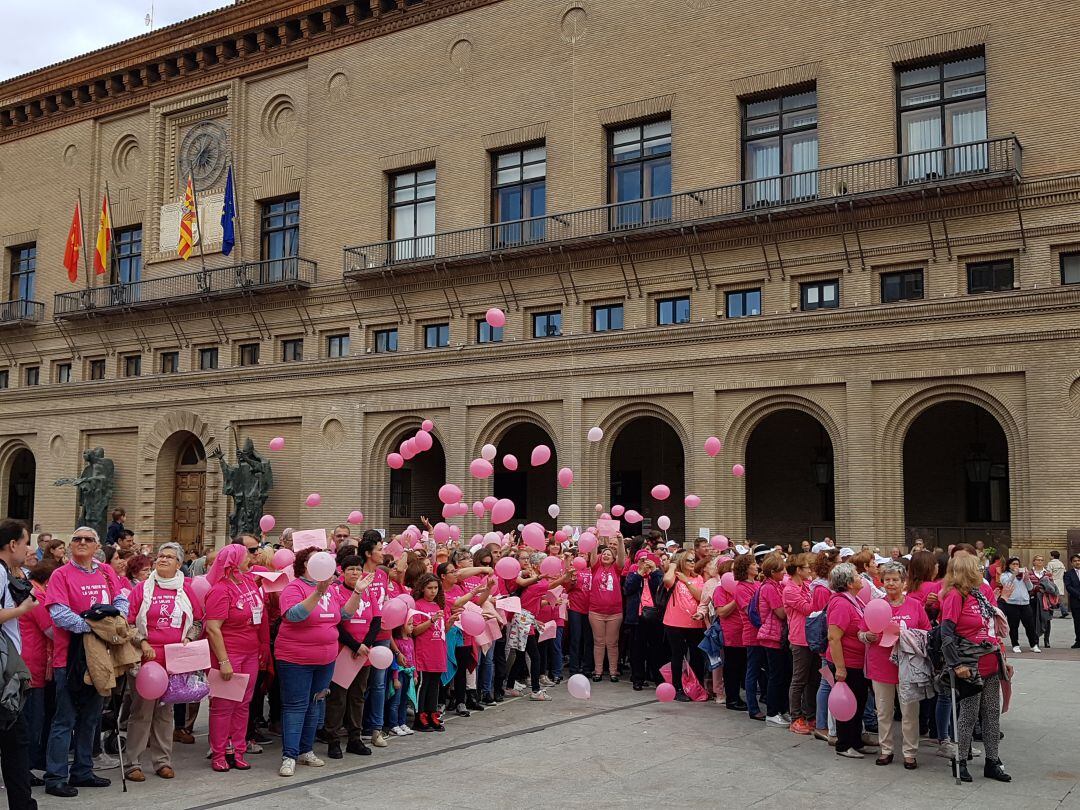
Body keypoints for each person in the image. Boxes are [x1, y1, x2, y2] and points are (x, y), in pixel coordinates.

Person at [44, 526, 128, 798]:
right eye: (76, 539)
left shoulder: (105, 571)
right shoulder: (61, 574)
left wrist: (116, 622)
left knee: (90, 718)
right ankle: (56, 776)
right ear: (70, 546)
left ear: (96, 546)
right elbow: (58, 614)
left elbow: (121, 599)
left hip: (101, 659)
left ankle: (83, 770)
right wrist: (95, 628)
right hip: (69, 659)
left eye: (87, 539)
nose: (81, 542)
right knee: (64, 720)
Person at [275, 547, 365, 777]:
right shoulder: (294, 588)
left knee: (315, 703)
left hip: (325, 659)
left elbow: (343, 616)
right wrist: (317, 593)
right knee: (296, 706)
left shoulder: (332, 590)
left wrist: (357, 593)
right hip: (296, 658)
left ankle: (306, 750)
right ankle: (289, 755)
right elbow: (294, 616)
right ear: (306, 564)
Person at [125, 542, 201, 782]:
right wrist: (142, 642)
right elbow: (127, 623)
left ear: (179, 564)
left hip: (174, 660)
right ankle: (133, 762)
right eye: (160, 556)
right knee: (141, 712)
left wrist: (189, 637)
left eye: (170, 557)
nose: (163, 560)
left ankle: (162, 761)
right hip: (146, 659)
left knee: (165, 712)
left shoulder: (186, 589)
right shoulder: (142, 589)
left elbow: (198, 620)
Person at [940, 554, 1011, 783]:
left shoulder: (979, 594)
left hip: (991, 659)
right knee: (969, 714)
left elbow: (990, 628)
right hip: (969, 664)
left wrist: (1003, 658)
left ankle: (993, 760)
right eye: (976, 567)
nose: (980, 571)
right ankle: (959, 760)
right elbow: (946, 633)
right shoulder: (954, 596)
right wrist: (956, 664)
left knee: (991, 714)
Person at [204, 543, 271, 772]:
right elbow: (213, 628)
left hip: (250, 652)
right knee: (223, 706)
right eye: (245, 555)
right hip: (229, 653)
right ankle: (219, 752)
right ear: (234, 560)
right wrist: (223, 661)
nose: (250, 558)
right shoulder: (220, 590)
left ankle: (238, 749)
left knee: (243, 704)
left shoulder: (249, 582)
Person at [861, 561, 929, 769]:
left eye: (895, 580)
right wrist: (867, 636)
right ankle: (886, 749)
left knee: (910, 712)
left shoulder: (915, 605)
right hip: (881, 665)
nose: (891, 584)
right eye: (887, 580)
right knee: (883, 711)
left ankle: (910, 752)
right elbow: (861, 632)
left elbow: (926, 632)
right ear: (882, 582)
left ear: (904, 582)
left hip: (908, 667)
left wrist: (908, 636)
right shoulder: (875, 605)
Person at [0, 520, 41, 809]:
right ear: (12, 544)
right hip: (4, 670)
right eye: (26, 542)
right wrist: (23, 609)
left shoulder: (8, 572)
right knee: (16, 738)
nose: (28, 548)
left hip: (6, 666)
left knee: (15, 738)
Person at [825, 562, 875, 758]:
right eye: (856, 575)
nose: (860, 577)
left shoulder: (853, 600)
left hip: (858, 662)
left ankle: (855, 740)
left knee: (859, 702)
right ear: (848, 582)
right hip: (846, 663)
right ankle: (844, 744)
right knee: (847, 705)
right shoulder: (841, 604)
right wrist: (840, 668)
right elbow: (834, 637)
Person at [21, 558, 58, 785]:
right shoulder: (38, 595)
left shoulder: (30, 590)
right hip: (32, 663)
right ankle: (24, 769)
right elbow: (51, 630)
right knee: (31, 720)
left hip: (31, 659)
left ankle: (29, 764)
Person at [406, 573, 452, 732]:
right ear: (422, 589)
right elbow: (416, 631)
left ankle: (432, 713)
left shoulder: (438, 606)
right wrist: (431, 620)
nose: (433, 591)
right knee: (424, 684)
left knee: (435, 684)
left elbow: (443, 629)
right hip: (424, 651)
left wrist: (450, 622)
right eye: (429, 588)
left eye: (435, 588)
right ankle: (420, 715)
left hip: (438, 650)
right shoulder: (417, 605)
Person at [662, 549, 706, 702]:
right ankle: (677, 687)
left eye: (694, 560)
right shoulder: (674, 576)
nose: (693, 563)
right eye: (689, 560)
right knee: (677, 655)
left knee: (697, 656)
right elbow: (666, 581)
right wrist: (673, 567)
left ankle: (697, 686)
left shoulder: (698, 578)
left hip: (695, 623)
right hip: (674, 623)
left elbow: (700, 596)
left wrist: (686, 581)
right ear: (681, 561)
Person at [783, 553, 816, 735]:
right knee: (799, 679)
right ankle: (795, 716)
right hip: (799, 638)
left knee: (813, 679)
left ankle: (810, 715)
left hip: (811, 638)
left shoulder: (806, 585)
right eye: (806, 568)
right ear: (797, 570)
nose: (809, 570)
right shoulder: (790, 589)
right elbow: (808, 608)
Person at [756, 553, 789, 725]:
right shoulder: (768, 588)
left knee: (782, 675)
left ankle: (783, 709)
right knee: (775, 676)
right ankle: (772, 711)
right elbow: (781, 612)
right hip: (772, 636)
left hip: (778, 636)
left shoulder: (776, 585)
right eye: (781, 569)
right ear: (772, 571)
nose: (784, 572)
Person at [588, 536, 625, 682]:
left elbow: (621, 558)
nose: (606, 555)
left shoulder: (616, 569)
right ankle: (598, 671)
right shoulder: (595, 567)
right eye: (603, 553)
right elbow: (592, 556)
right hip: (596, 611)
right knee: (598, 642)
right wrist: (594, 540)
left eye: (609, 554)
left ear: (613, 558)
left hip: (614, 613)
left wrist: (620, 541)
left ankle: (613, 672)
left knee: (612, 643)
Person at [623, 552, 662, 691]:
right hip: (637, 617)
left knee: (655, 649)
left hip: (654, 617)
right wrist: (639, 573)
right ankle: (638, 678)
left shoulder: (655, 575)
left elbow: (661, 588)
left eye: (647, 560)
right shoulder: (633, 575)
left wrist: (655, 570)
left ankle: (657, 678)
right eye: (642, 560)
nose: (645, 562)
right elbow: (628, 589)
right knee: (637, 650)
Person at [733, 553, 764, 721]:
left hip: (764, 632)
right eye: (753, 564)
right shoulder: (740, 588)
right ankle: (752, 707)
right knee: (752, 671)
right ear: (746, 568)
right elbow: (749, 611)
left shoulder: (758, 584)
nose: (756, 566)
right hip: (753, 633)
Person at [713, 558, 746, 711]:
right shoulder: (720, 590)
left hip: (745, 632)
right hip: (731, 634)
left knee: (741, 667)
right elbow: (721, 612)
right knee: (732, 667)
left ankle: (737, 696)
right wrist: (736, 600)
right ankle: (731, 699)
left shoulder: (741, 586)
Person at [998, 557, 1039, 653]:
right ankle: (1015, 644)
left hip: (1025, 603)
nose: (1016, 566)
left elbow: (1030, 588)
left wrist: (1027, 579)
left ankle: (1033, 644)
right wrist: (1014, 575)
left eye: (1017, 564)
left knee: (1030, 625)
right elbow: (1006, 584)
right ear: (1009, 565)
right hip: (1012, 603)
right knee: (1014, 625)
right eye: (1014, 564)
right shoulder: (1005, 575)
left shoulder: (1023, 575)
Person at [1029, 554, 1056, 648]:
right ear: (1034, 561)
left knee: (1047, 619)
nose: (1040, 562)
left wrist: (1046, 588)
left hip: (1045, 599)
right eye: (1038, 560)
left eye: (1042, 560)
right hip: (1033, 599)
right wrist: (1036, 588)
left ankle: (1046, 640)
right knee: (1033, 619)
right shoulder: (1029, 573)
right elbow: (1027, 586)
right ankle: (1035, 639)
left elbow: (1052, 586)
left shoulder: (1048, 573)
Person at [1064, 554, 1080, 648]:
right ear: (1071, 563)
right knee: (1077, 622)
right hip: (1076, 601)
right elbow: (1068, 587)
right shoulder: (1068, 574)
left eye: (1078, 560)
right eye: (1075, 561)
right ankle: (1078, 640)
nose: (1077, 562)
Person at [1047, 551, 1068, 618]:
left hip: (1053, 581)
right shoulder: (1061, 564)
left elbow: (1048, 573)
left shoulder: (1050, 564)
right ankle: (1064, 611)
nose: (1049, 557)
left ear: (1053, 556)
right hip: (1060, 582)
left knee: (1051, 598)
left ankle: (1051, 613)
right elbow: (1065, 572)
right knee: (1059, 598)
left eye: (1050, 555)